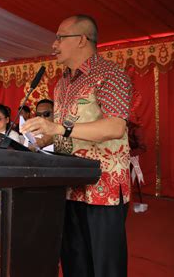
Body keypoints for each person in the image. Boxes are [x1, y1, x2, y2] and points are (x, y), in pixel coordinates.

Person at [20, 15, 131, 277]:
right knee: (73, 260)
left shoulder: (110, 75)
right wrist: (42, 140)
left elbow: (115, 127)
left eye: (60, 37)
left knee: (105, 266)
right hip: (68, 186)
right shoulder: (61, 84)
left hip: (102, 187)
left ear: (82, 39)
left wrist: (58, 128)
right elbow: (65, 130)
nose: (53, 44)